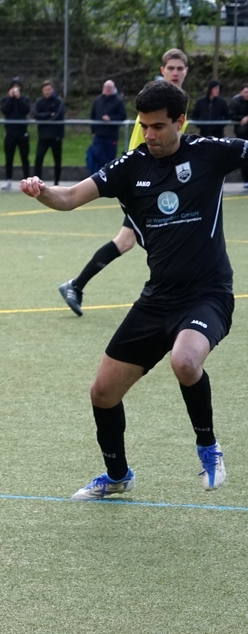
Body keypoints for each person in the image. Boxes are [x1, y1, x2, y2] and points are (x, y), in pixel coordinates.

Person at [20, 81, 233, 500]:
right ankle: (117, 476)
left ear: (180, 121)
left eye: (158, 126)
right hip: (158, 299)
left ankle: (208, 447)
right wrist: (42, 190)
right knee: (103, 392)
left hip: (208, 294)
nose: (149, 134)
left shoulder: (210, 153)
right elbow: (69, 197)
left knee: (185, 360)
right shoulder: (132, 166)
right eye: (143, 125)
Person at [61, 49, 188, 316]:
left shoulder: (178, 105)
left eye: (180, 68)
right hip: (141, 186)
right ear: (162, 70)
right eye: (171, 68)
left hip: (157, 185)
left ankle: (76, 285)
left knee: (127, 241)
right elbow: (141, 153)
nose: (175, 73)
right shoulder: (154, 102)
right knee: (149, 239)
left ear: (186, 71)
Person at [85, 80, 127, 177]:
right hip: (99, 135)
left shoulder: (118, 101)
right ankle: (100, 175)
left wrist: (111, 119)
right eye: (106, 87)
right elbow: (93, 116)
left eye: (110, 87)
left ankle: (110, 176)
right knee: (97, 153)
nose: (108, 89)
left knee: (110, 158)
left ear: (113, 88)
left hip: (111, 135)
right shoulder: (98, 101)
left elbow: (122, 116)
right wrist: (93, 130)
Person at [0, 77, 31, 190]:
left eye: (17, 86)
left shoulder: (25, 99)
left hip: (22, 132)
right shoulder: (5, 99)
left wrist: (19, 98)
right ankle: (8, 180)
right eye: (13, 86)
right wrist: (10, 98)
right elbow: (4, 110)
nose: (15, 89)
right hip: (10, 132)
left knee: (24, 157)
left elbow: (26, 110)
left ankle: (27, 180)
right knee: (9, 157)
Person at [33, 80, 66, 184]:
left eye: (49, 89)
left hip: (56, 135)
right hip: (43, 136)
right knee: (39, 157)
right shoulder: (39, 102)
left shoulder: (58, 101)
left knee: (57, 159)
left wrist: (44, 118)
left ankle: (56, 181)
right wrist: (48, 115)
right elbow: (36, 115)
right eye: (45, 90)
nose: (47, 91)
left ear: (53, 90)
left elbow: (57, 116)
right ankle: (37, 181)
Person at [228, 83, 248, 189]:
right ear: (241, 92)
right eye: (246, 92)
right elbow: (231, 115)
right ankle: (246, 179)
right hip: (241, 134)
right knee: (244, 158)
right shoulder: (236, 101)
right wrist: (241, 118)